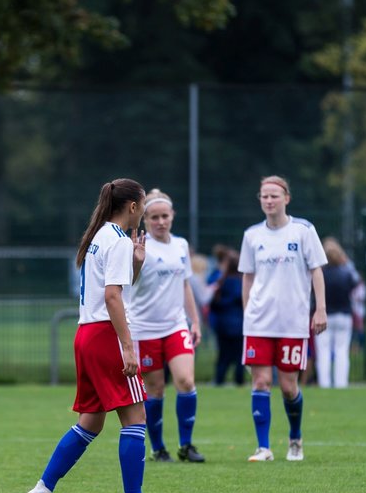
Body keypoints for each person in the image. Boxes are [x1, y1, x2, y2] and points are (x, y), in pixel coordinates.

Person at [23, 178, 177, 493]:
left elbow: (117, 286)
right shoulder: (118, 240)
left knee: (91, 422)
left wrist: (137, 262)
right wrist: (128, 347)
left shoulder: (100, 236)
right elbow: (112, 297)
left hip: (85, 334)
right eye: (143, 207)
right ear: (134, 207)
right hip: (105, 335)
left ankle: (42, 491)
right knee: (136, 416)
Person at [239, 176, 328, 461]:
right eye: (264, 196)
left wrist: (320, 308)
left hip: (292, 321)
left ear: (286, 198)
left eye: (274, 196)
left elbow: (316, 270)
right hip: (259, 321)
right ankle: (263, 447)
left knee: (289, 386)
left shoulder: (303, 230)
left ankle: (295, 439)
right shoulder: (252, 235)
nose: (269, 200)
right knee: (261, 382)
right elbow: (248, 276)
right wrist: (247, 313)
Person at [127, 189, 206, 463]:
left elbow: (184, 284)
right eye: (154, 217)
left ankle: (187, 445)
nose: (160, 221)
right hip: (144, 328)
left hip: (175, 325)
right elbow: (128, 285)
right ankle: (159, 448)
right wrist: (136, 262)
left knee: (185, 380)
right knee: (156, 389)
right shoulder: (138, 246)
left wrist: (194, 320)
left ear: (172, 216)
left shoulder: (181, 245)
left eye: (165, 216)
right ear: (145, 219)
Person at [315, 237, 361, 389]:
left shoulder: (320, 274)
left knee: (323, 351)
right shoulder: (345, 273)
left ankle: (324, 383)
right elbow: (356, 282)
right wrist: (346, 261)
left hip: (325, 315)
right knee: (342, 351)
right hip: (343, 315)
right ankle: (341, 384)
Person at [207, 247, 245, 386]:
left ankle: (219, 380)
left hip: (223, 325)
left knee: (223, 356)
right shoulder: (243, 281)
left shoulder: (222, 281)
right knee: (239, 356)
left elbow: (214, 303)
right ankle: (239, 381)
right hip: (240, 324)